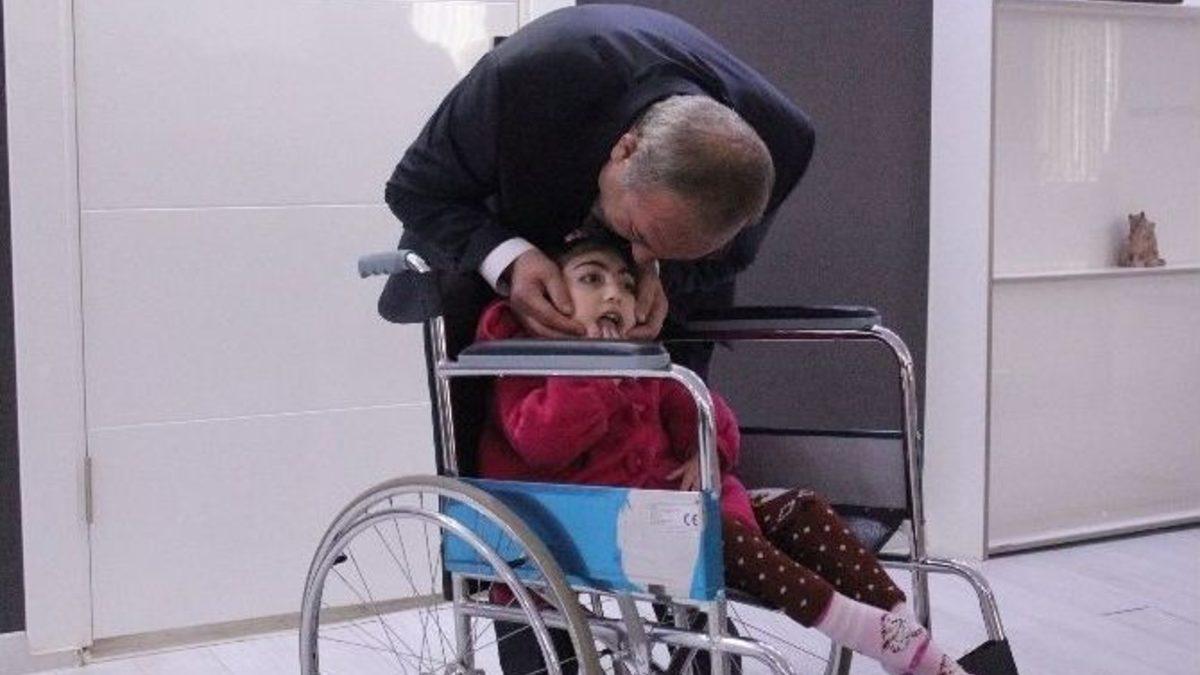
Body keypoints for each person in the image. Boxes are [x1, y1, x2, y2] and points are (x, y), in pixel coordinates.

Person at [475, 233, 974, 675]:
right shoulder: (526, 359)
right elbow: (542, 443)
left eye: (625, 284)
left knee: (801, 508)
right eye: (591, 279)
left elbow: (703, 411)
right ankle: (863, 629)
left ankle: (906, 636)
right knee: (718, 537)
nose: (614, 294)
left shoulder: (642, 360)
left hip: (678, 505)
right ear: (547, 299)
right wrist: (595, 371)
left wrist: (705, 448)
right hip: (595, 524)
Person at [380, 4, 815, 375]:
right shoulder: (529, 74)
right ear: (625, 150)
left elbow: (730, 258)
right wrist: (511, 261)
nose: (639, 257)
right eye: (640, 235)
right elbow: (415, 189)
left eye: (671, 249)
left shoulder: (779, 144)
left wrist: (660, 274)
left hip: (659, 330)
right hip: (494, 241)